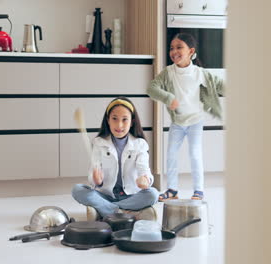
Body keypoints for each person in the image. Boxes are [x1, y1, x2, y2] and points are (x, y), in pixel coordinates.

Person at [148, 33, 224, 201]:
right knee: (171, 155)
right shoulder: (168, 72)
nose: (174, 51)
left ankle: (199, 191)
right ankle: (172, 190)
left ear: (191, 51)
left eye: (179, 47)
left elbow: (220, 85)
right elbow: (152, 88)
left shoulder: (200, 73)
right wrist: (168, 98)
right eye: (171, 48)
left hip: (196, 121)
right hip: (178, 123)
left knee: (195, 154)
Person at [71, 97, 159, 218]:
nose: (119, 125)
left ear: (132, 122)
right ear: (108, 120)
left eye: (125, 120)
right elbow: (93, 175)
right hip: (106, 195)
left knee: (153, 194)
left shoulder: (140, 144)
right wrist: (96, 180)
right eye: (114, 119)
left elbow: (144, 171)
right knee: (77, 189)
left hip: (131, 196)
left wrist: (145, 180)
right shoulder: (99, 143)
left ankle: (104, 210)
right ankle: (126, 212)